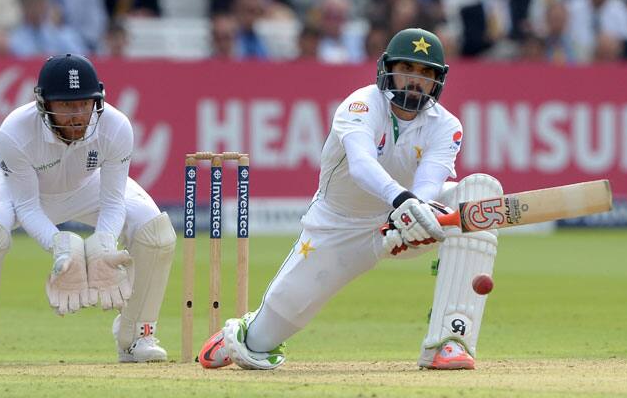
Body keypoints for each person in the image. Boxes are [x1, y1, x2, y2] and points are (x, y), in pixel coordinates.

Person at [198, 28, 502, 371]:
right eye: (407, 69)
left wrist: (413, 214)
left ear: (437, 82)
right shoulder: (361, 104)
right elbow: (361, 164)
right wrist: (406, 204)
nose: (415, 81)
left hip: (403, 219)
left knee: (478, 195)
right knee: (260, 344)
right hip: (339, 225)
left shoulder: (447, 125)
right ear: (388, 69)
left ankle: (449, 340)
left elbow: (430, 182)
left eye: (425, 73)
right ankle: (247, 332)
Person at [0, 54, 176, 365]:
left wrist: (104, 245)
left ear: (98, 100)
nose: (77, 115)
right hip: (18, 186)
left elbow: (112, 200)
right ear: (43, 104)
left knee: (155, 233)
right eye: (65, 105)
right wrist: (60, 247)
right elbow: (27, 205)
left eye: (84, 103)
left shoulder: (116, 126)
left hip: (84, 185)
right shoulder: (15, 130)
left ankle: (136, 335)